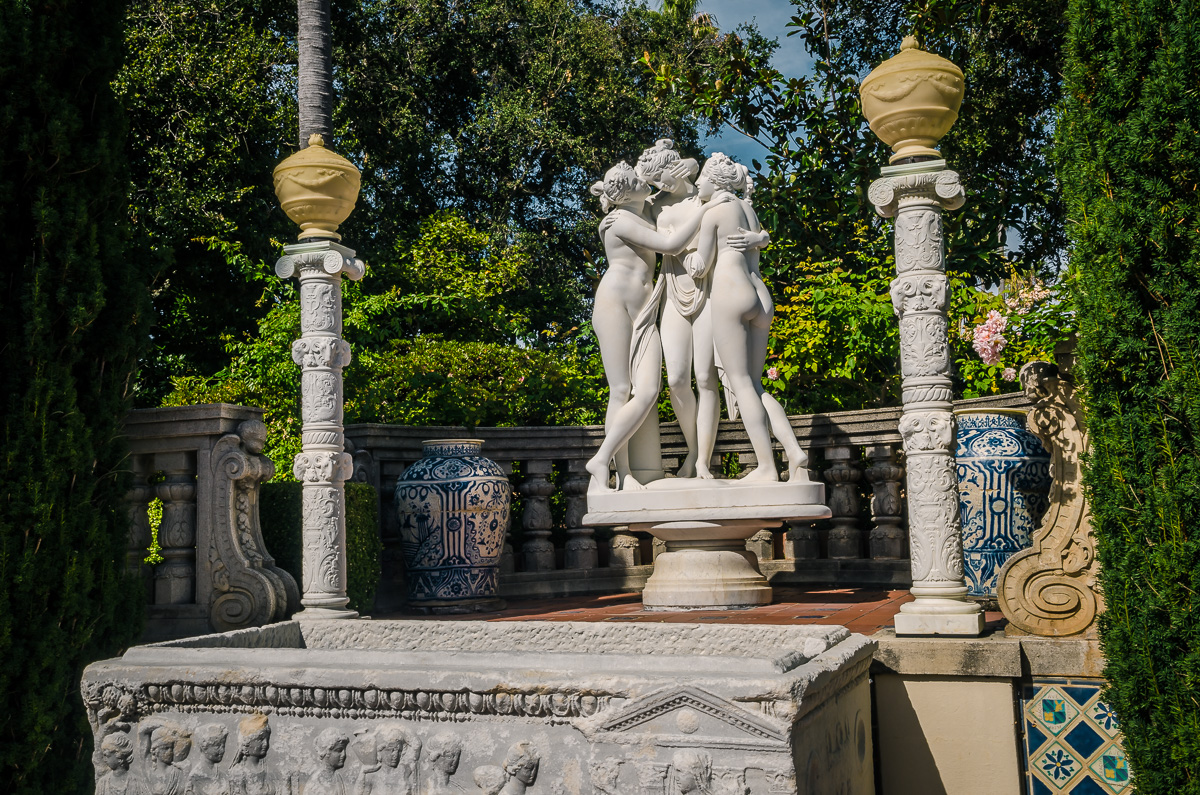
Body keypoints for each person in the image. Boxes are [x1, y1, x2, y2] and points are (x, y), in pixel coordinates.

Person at [585, 160, 732, 493]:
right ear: (626, 192)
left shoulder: (639, 211)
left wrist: (692, 165)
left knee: (649, 391)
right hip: (615, 306)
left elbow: (678, 181)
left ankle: (604, 460)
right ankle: (620, 473)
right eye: (638, 181)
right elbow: (670, 245)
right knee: (621, 390)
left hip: (645, 312)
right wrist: (707, 208)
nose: (645, 182)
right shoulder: (619, 218)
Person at [688, 153, 810, 482]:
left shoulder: (713, 212)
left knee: (740, 383)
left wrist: (687, 262)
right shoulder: (748, 208)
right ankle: (794, 451)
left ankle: (767, 467)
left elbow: (701, 264)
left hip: (731, 292)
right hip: (760, 294)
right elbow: (760, 241)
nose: (698, 183)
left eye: (702, 178)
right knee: (756, 385)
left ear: (715, 182)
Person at [228, 714, 278, 795]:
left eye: (267, 739)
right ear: (247, 742)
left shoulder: (267, 768)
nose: (265, 743)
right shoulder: (238, 773)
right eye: (260, 739)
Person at [97, 731, 150, 795]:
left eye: (107, 755)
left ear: (118, 754)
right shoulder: (102, 784)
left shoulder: (137, 782)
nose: (104, 760)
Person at [186, 724, 230, 795]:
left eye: (223, 745)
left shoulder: (223, 775)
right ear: (204, 746)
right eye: (217, 746)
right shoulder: (195, 778)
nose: (222, 750)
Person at [306, 728, 351, 795]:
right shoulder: (316, 783)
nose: (343, 754)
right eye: (339, 750)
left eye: (344, 750)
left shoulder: (337, 776)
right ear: (326, 752)